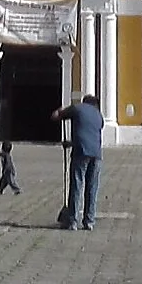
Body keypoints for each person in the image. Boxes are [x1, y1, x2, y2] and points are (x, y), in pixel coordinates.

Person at [51, 94, 103, 230]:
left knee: (77, 185)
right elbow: (90, 133)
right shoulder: (99, 115)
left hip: (81, 152)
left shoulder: (77, 108)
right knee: (92, 188)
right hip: (96, 154)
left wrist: (60, 110)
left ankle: (72, 220)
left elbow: (56, 116)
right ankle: (89, 221)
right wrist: (71, 143)